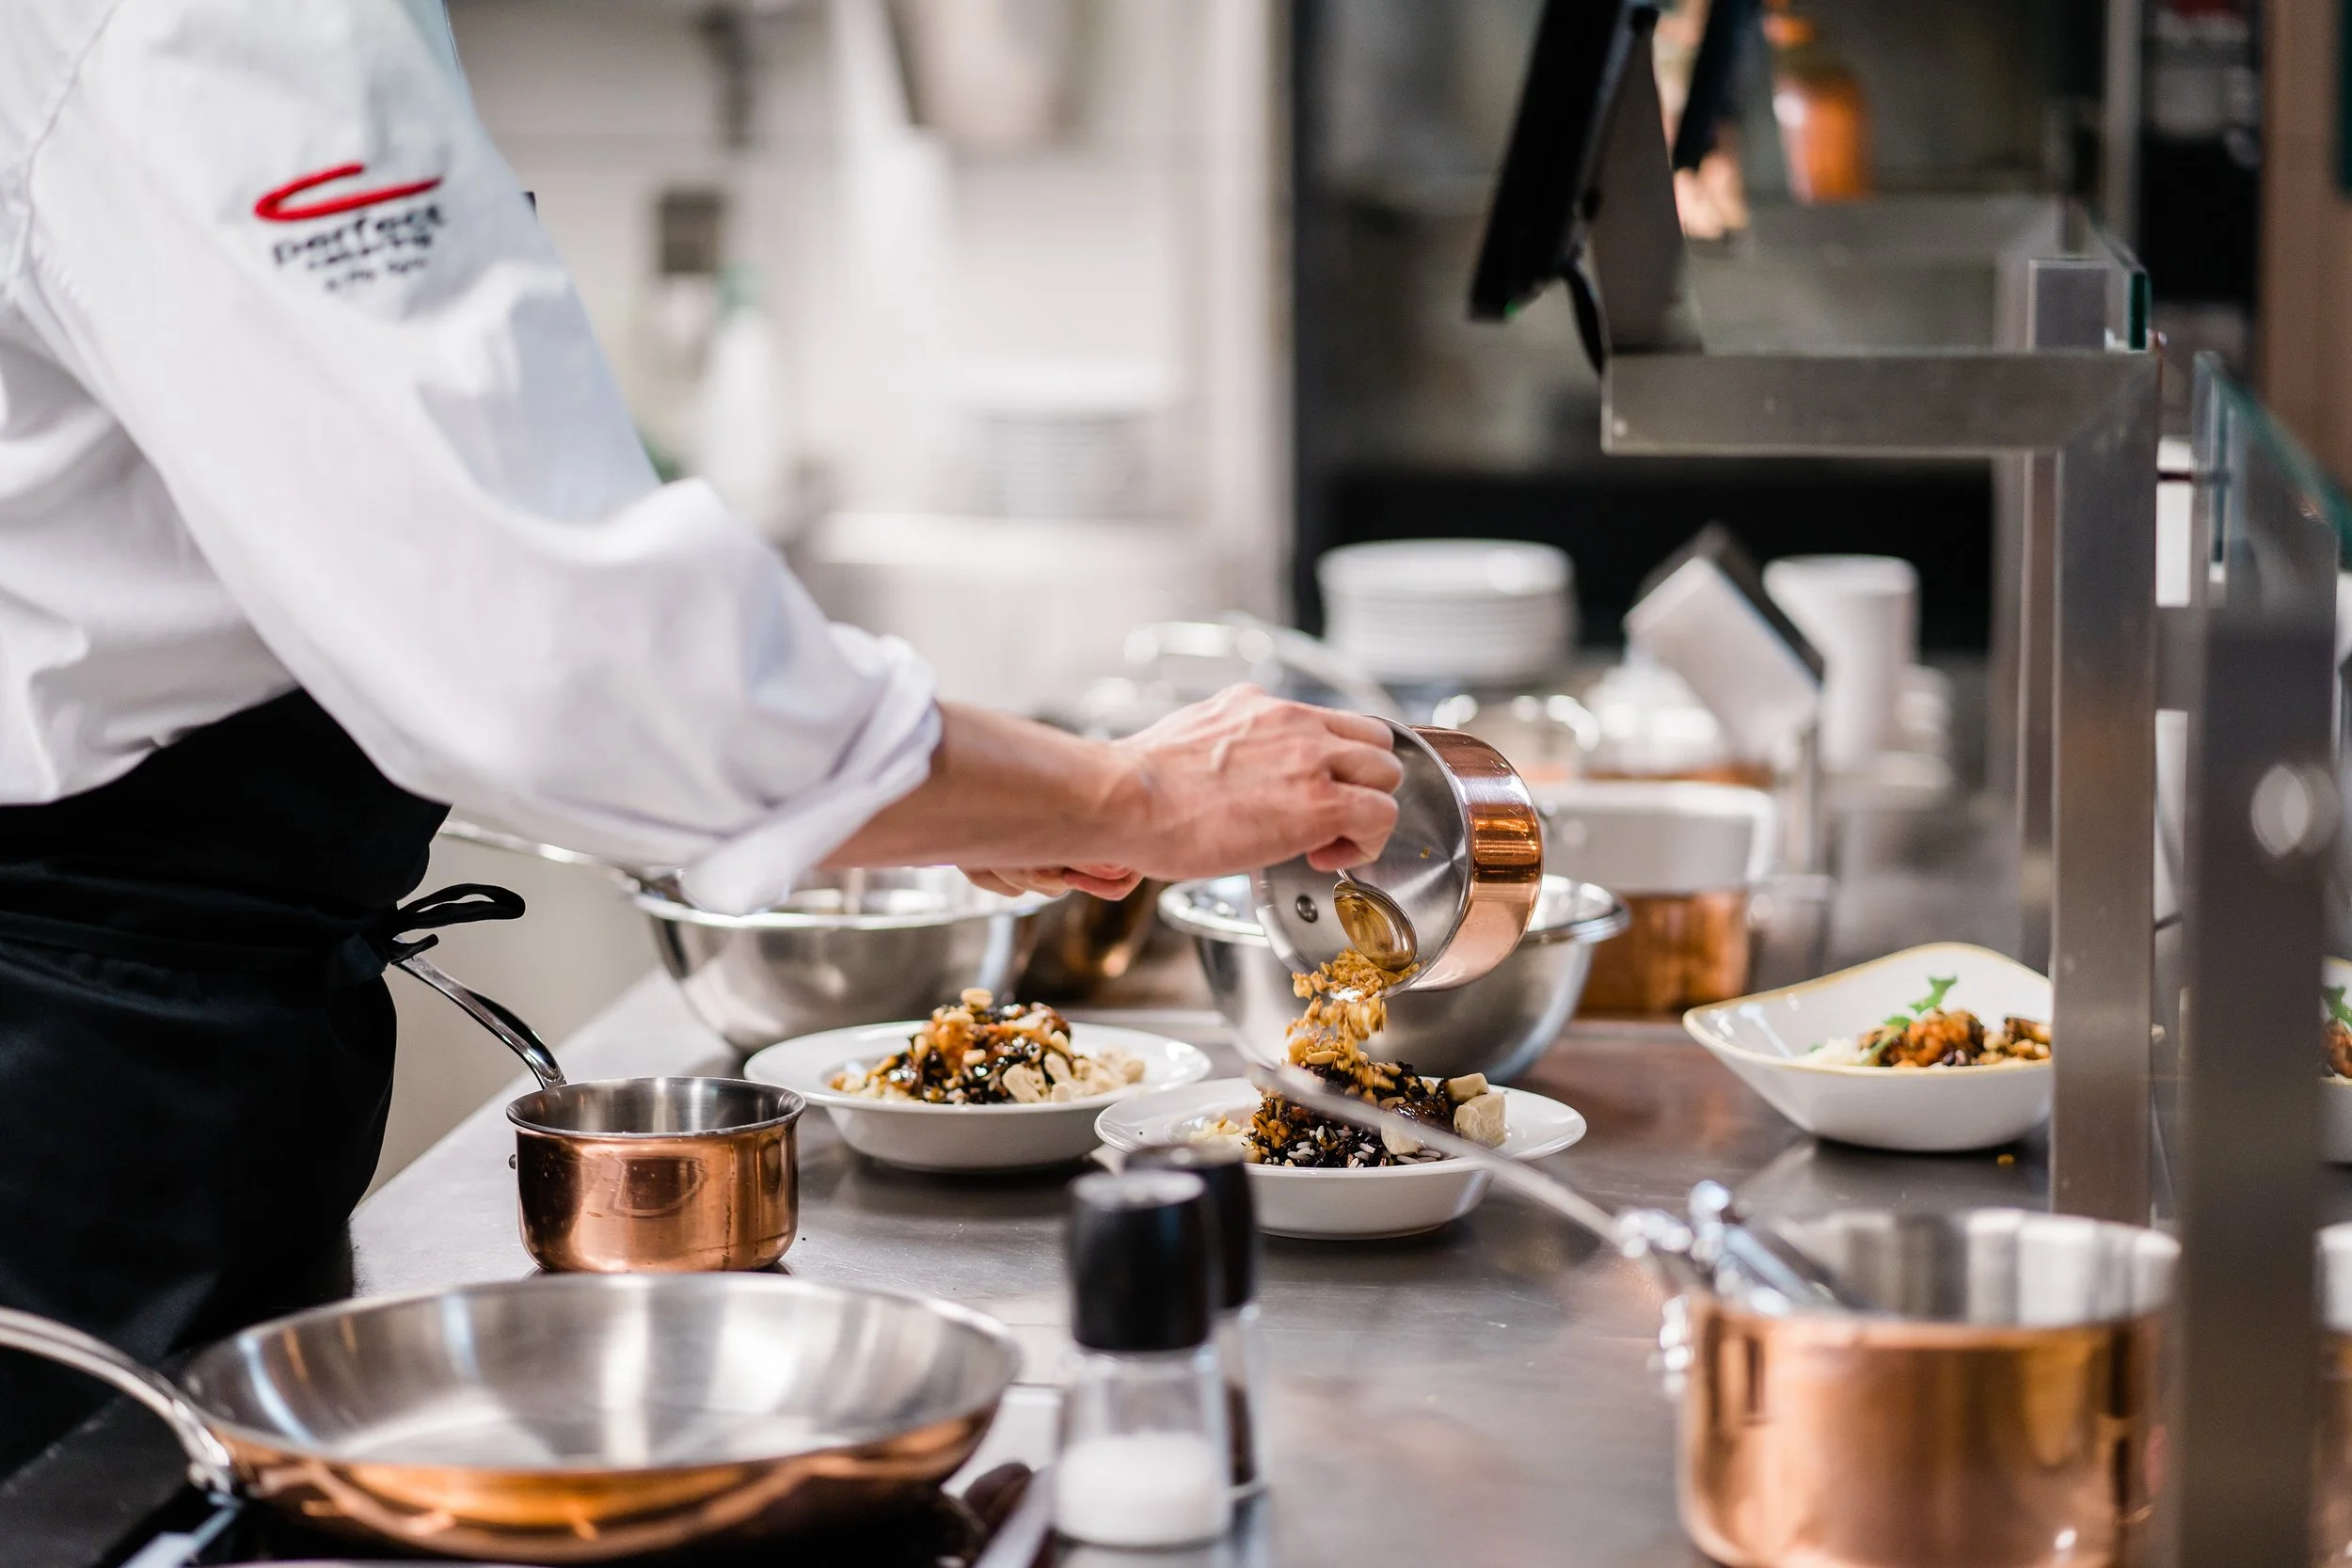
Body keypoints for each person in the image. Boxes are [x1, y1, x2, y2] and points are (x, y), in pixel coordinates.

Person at [0, 0, 1400, 1470]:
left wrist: (1023, 796)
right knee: (99, 1511)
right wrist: (1126, 795)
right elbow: (559, 648)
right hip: (82, 1083)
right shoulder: (211, 22)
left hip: (179, 1018)